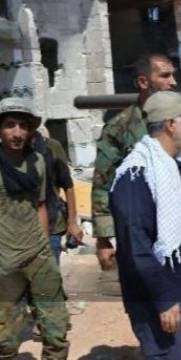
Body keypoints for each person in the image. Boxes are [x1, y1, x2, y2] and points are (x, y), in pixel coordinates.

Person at [109, 91, 181, 360]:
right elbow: (135, 245)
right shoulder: (136, 175)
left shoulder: (179, 168)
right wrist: (164, 299)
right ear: (171, 124)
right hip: (165, 301)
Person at [92, 53, 177, 271]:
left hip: (178, 225)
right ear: (143, 82)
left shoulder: (179, 123)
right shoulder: (119, 128)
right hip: (139, 230)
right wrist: (104, 237)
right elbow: (103, 183)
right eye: (165, 76)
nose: (173, 82)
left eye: (173, 76)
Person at [0, 97, 69, 359]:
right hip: (5, 263)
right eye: (10, 125)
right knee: (5, 341)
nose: (17, 133)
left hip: (38, 257)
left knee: (56, 331)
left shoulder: (38, 161)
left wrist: (45, 250)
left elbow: (40, 205)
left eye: (23, 126)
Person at [33, 128, 84, 264]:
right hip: (14, 231)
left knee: (48, 279)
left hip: (51, 225)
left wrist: (72, 222)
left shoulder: (51, 147)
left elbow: (67, 185)